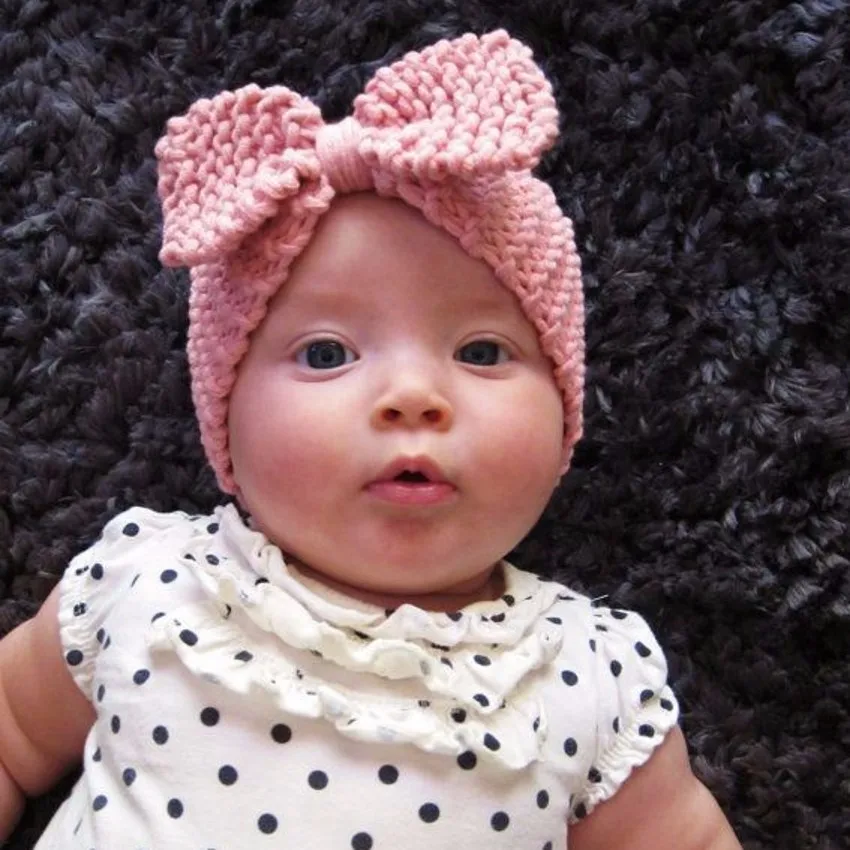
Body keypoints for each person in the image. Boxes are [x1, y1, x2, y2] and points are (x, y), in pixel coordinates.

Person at [0, 30, 742, 850]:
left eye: (482, 352)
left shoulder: (588, 676)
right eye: (326, 354)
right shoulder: (147, 585)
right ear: (225, 415)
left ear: (565, 410)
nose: (412, 397)